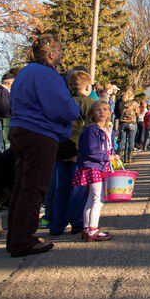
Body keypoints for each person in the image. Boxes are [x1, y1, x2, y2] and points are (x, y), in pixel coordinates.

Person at [6, 34, 80, 257]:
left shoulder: (25, 73)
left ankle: (16, 237)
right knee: (34, 187)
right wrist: (74, 109)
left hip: (20, 130)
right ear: (51, 54)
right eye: (60, 52)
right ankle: (23, 240)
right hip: (39, 133)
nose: (61, 56)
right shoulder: (45, 74)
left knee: (21, 186)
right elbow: (61, 107)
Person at [48, 70, 94, 236]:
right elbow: (91, 128)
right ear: (88, 86)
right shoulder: (87, 103)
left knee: (61, 190)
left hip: (60, 149)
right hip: (77, 149)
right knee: (78, 189)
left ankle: (57, 224)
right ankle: (77, 223)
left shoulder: (62, 102)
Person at [73, 101, 115, 242]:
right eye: (98, 110)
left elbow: (109, 146)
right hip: (93, 166)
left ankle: (86, 228)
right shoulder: (92, 130)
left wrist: (112, 156)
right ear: (92, 113)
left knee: (91, 198)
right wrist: (107, 156)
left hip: (101, 166)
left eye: (105, 109)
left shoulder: (108, 130)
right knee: (98, 199)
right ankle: (93, 229)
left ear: (110, 113)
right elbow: (91, 150)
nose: (102, 112)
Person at [117, 91, 139, 166]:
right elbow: (137, 113)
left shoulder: (121, 103)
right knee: (131, 141)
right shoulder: (134, 104)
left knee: (122, 140)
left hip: (123, 123)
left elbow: (119, 112)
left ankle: (120, 157)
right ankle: (130, 158)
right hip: (132, 123)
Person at [0, 71, 14, 153]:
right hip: (3, 121)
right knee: (1, 143)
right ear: (9, 82)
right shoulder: (3, 92)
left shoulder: (1, 90)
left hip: (2, 120)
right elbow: (3, 107)